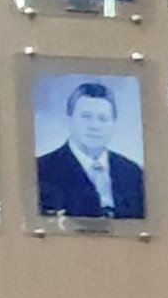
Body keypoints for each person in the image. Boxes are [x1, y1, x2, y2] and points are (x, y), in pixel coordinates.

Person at [35, 79, 145, 221]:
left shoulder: (132, 172)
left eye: (103, 119)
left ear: (114, 123)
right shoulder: (41, 170)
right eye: (86, 117)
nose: (94, 126)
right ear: (70, 119)